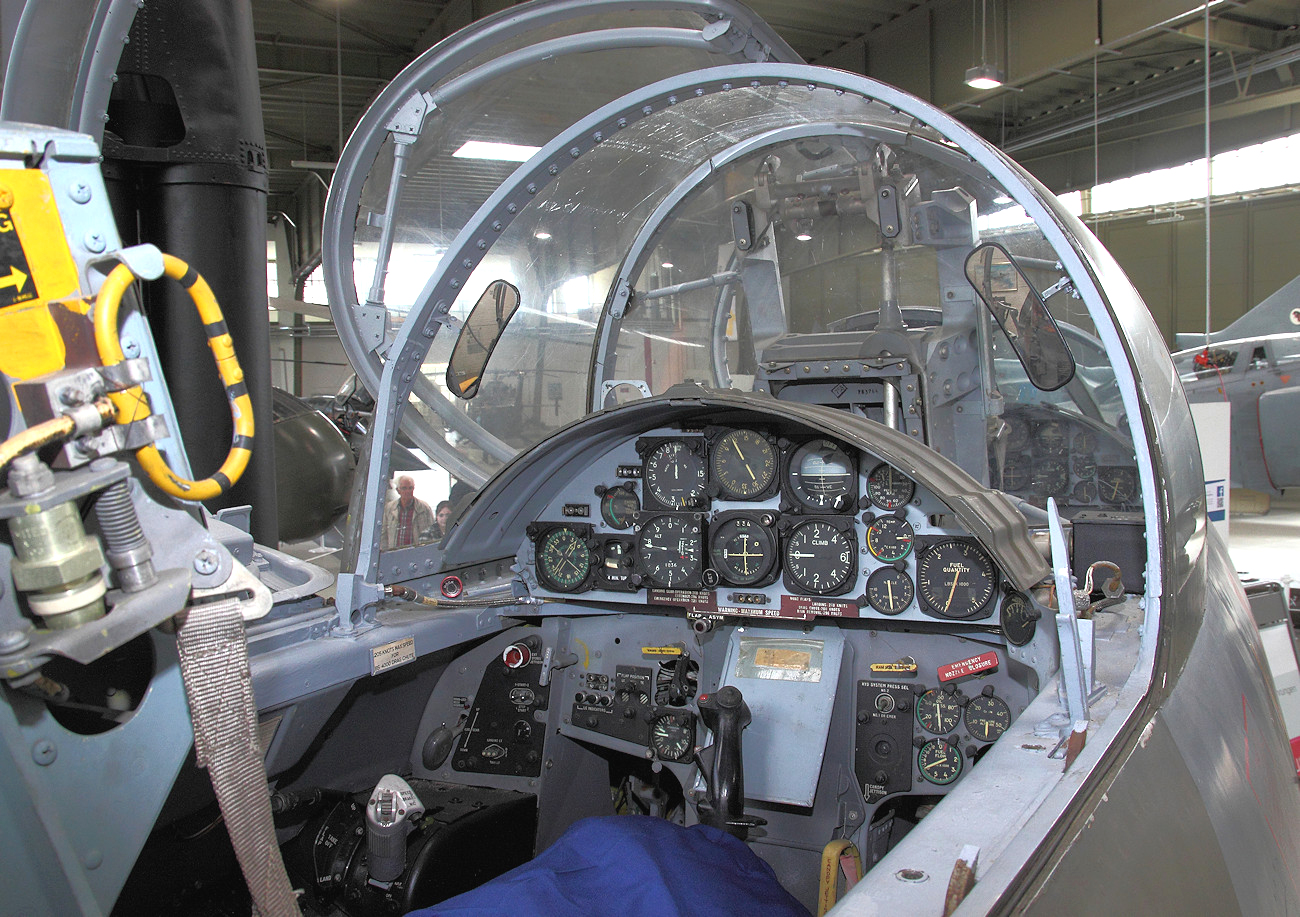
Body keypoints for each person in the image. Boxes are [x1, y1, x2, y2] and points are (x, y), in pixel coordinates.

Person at [382, 475, 435, 550]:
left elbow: (432, 532)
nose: (407, 491)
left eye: (410, 488)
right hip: (394, 553)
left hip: (416, 553)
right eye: (404, 488)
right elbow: (383, 534)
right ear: (398, 490)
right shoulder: (390, 508)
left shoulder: (424, 508)